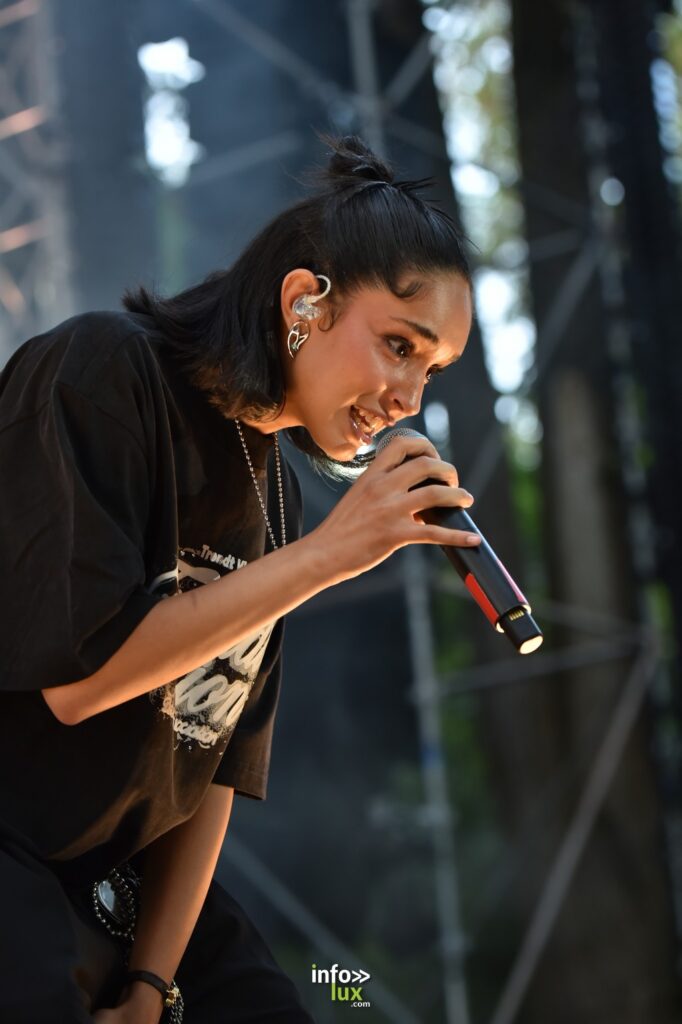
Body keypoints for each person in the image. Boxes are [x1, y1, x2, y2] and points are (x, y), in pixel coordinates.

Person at [0, 135, 478, 1023]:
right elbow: (80, 682)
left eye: (431, 369)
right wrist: (329, 556)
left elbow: (210, 766)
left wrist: (151, 986)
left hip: (121, 871)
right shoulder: (106, 370)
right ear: (304, 302)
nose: (408, 398)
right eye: (398, 345)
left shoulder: (274, 490)